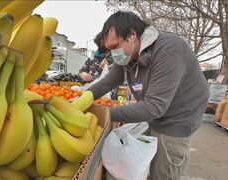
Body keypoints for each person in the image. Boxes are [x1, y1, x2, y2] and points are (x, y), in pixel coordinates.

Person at [87, 11, 210, 180]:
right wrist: (81, 99)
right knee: (146, 167)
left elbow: (154, 106)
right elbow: (108, 81)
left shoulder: (169, 50)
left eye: (115, 47)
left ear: (132, 35)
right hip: (155, 117)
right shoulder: (129, 55)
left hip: (177, 122)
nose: (113, 54)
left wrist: (100, 112)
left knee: (163, 170)